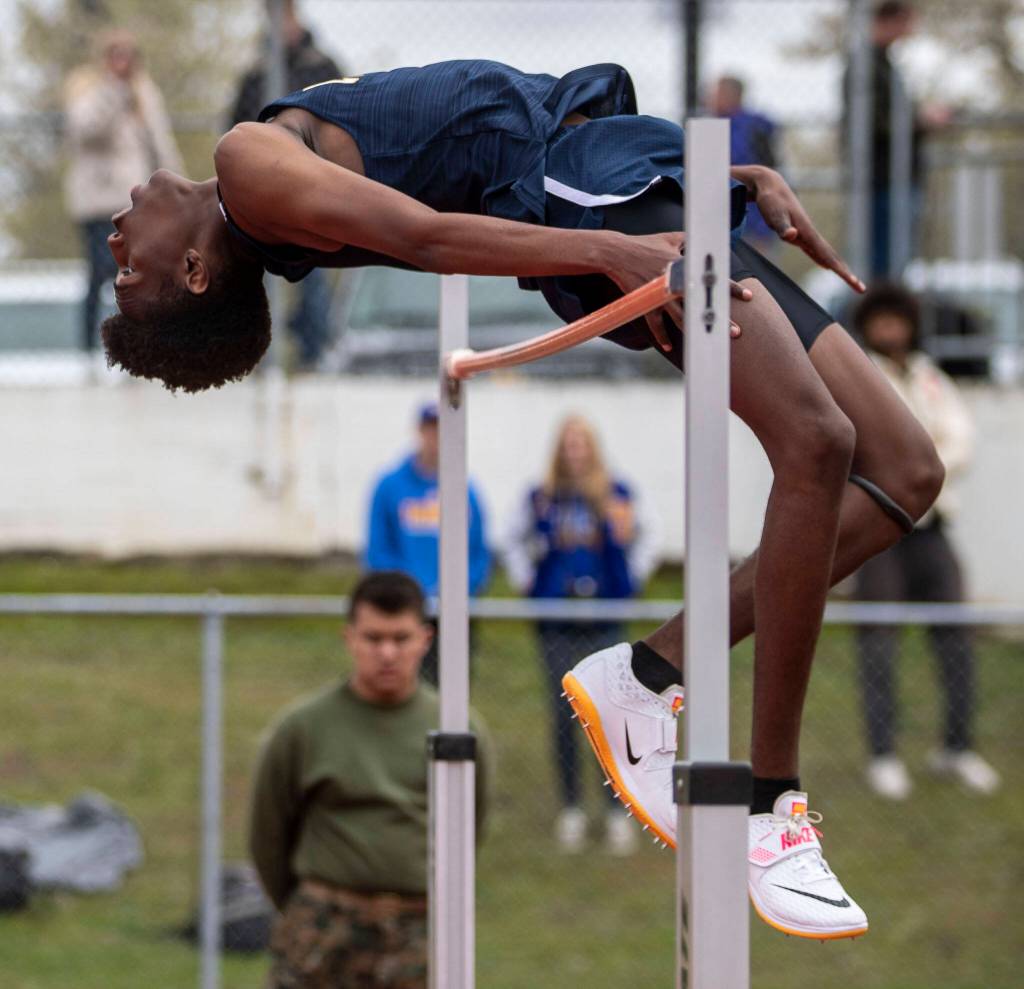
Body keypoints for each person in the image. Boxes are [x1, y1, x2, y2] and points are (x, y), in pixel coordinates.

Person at [102, 58, 946, 940]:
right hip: (598, 203)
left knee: (905, 468)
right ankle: (771, 802)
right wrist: (611, 248)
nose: (116, 239)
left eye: (115, 264)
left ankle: (647, 672)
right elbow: (431, 236)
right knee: (818, 442)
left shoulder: (276, 213)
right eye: (129, 271)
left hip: (617, 176)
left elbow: (454, 175)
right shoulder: (246, 166)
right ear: (196, 271)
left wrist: (715, 179)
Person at [249, 570, 490, 989]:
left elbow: (470, 826)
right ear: (350, 638)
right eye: (373, 638)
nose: (387, 653)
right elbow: (268, 833)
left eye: (400, 638)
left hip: (416, 931)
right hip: (324, 930)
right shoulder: (303, 728)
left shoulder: (456, 730)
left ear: (425, 640)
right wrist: (310, 907)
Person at [851, 284, 1000, 801]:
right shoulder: (858, 374)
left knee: (956, 638)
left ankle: (956, 748)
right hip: (879, 532)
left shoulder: (930, 378)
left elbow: (961, 441)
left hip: (933, 528)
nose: (891, 330)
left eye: (899, 320)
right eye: (882, 320)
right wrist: (919, 458)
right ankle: (883, 755)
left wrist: (917, 462)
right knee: (878, 644)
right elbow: (863, 444)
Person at [504, 416, 660, 856]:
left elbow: (649, 536)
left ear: (592, 448)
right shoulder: (541, 499)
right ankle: (571, 808)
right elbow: (512, 540)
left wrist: (632, 580)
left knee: (610, 716)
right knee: (565, 716)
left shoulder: (618, 496)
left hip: (606, 619)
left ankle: (616, 811)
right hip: (557, 622)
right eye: (567, 444)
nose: (574, 451)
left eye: (581, 443)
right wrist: (527, 583)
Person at [228, 0, 343, 369]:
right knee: (258, 266)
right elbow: (234, 129)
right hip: (268, 189)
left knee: (314, 266)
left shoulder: (320, 66)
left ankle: (315, 350)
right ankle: (258, 354)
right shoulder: (256, 74)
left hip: (314, 183)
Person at [62, 28, 183, 355]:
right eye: (115, 55)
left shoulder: (145, 94)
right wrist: (113, 95)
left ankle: (133, 346)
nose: (122, 63)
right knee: (100, 274)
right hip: (99, 202)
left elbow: (160, 143)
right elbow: (85, 131)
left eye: (128, 55)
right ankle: (89, 349)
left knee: (134, 274)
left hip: (133, 201)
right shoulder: (88, 92)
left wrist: (177, 186)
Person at [364, 402, 491, 684]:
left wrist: (459, 589)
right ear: (421, 431)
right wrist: (406, 592)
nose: (437, 437)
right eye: (432, 429)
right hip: (405, 609)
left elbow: (479, 551)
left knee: (454, 687)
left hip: (456, 610)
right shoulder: (391, 485)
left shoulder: (465, 489)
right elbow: (379, 549)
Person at [841, 1, 950, 279]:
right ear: (891, 21)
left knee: (892, 263)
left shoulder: (883, 64)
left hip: (893, 178)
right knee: (882, 264)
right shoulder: (866, 65)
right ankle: (873, 315)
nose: (910, 32)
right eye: (906, 24)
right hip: (881, 179)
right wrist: (920, 121)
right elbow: (873, 123)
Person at [708, 75, 781, 253]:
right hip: (722, 219)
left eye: (716, 93)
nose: (710, 99)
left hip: (754, 222)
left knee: (757, 272)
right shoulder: (710, 127)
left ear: (731, 95)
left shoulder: (751, 128)